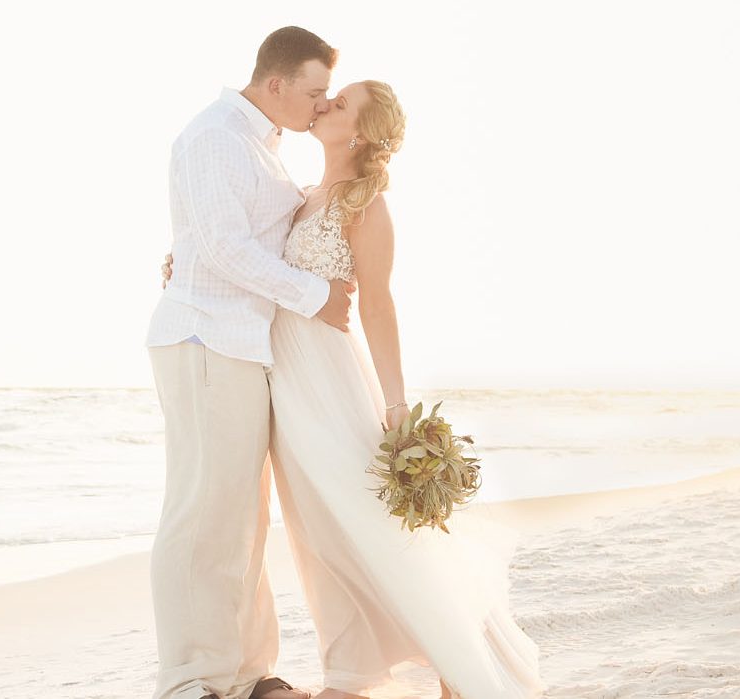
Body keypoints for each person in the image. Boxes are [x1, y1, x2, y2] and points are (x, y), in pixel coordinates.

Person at [159, 78, 548, 698]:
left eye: (338, 104)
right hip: (281, 380)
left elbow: (379, 307)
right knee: (319, 529)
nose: (324, 105)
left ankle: (455, 660)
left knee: (364, 522)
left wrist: (395, 405)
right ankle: (350, 669)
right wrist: (185, 261)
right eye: (327, 96)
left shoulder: (365, 204)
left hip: (330, 381)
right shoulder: (300, 195)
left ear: (361, 132)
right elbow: (235, 242)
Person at [144, 25, 354, 699]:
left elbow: (221, 240)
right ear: (275, 84)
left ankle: (245, 672)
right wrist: (317, 296)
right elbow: (227, 248)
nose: (321, 106)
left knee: (242, 515)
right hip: (207, 339)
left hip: (240, 344)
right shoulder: (215, 138)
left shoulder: (258, 145)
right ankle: (190, 679)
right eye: (315, 92)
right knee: (203, 515)